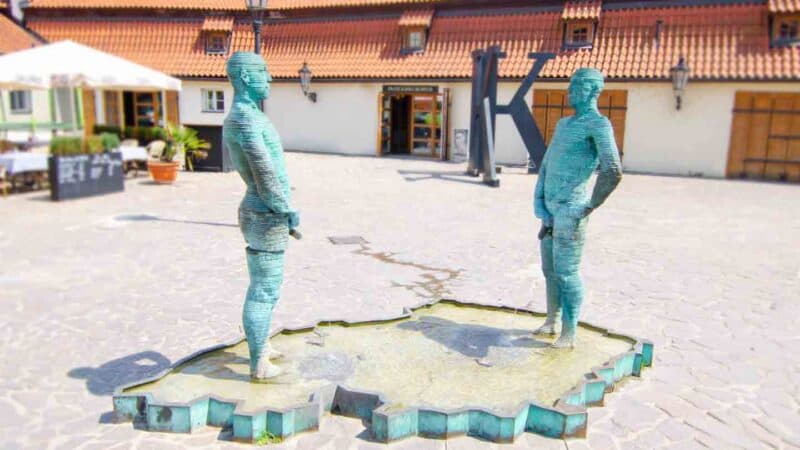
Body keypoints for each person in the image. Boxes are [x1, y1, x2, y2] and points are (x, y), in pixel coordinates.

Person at [532, 68, 622, 348]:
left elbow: (613, 169)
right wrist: (539, 203)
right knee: (549, 270)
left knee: (567, 272)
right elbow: (546, 165)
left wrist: (590, 205)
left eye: (577, 87)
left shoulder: (598, 125)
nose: (570, 92)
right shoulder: (563, 125)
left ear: (593, 91)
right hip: (549, 209)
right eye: (571, 86)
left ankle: (569, 332)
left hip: (572, 209)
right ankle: (551, 320)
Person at [223, 52, 300, 379]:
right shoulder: (245, 118)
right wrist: (287, 209)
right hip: (264, 212)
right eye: (262, 71)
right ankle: (258, 364)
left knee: (268, 286)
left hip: (263, 210)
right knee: (264, 289)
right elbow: (264, 172)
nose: (269, 78)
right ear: (243, 77)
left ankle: (262, 345)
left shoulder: (246, 116)